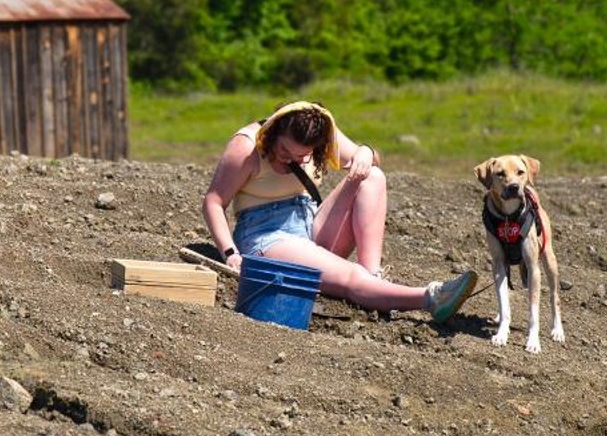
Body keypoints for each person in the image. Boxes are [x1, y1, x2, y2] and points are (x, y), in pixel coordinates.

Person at [202, 100, 477, 321]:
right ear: (274, 132)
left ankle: (373, 278)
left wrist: (366, 153)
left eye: (302, 157)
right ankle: (431, 298)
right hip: (267, 233)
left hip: (309, 220)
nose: (291, 160)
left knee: (373, 177)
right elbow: (213, 201)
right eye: (285, 150)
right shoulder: (247, 147)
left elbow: (364, 156)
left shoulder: (321, 131)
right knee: (349, 275)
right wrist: (230, 253)